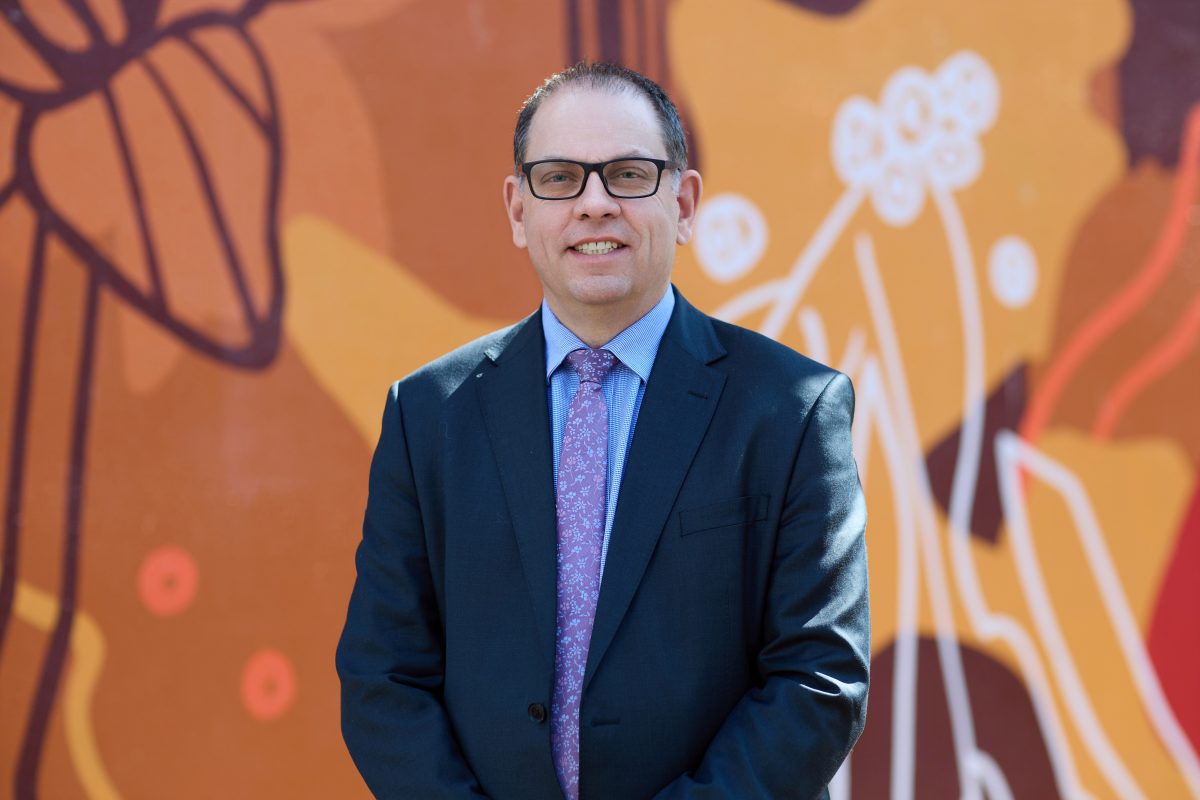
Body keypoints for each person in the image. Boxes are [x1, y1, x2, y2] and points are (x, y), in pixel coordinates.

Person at [336, 62, 869, 800]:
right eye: (559, 178)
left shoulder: (792, 410)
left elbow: (819, 679)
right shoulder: (429, 414)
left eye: (627, 174)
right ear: (518, 209)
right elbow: (381, 674)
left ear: (683, 203)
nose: (594, 204)